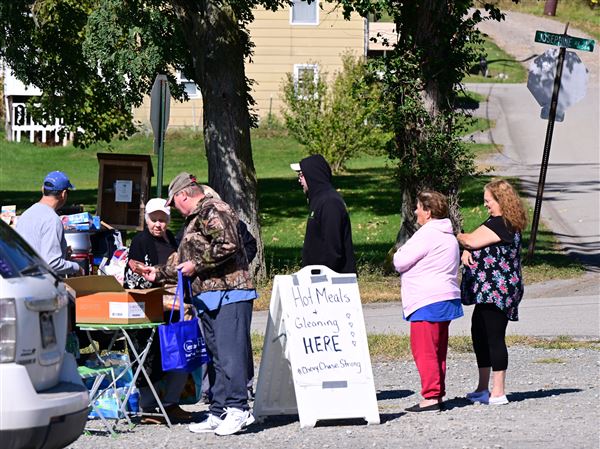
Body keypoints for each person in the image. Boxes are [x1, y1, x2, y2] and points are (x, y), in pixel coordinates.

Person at [140, 173, 257, 436]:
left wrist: (197, 265)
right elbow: (182, 260)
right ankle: (218, 411)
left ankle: (239, 409)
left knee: (231, 356)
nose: (174, 209)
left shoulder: (213, 209)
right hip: (208, 296)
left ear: (183, 195)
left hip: (230, 292)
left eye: (174, 203)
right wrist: (156, 273)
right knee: (216, 357)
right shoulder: (193, 221)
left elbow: (228, 244)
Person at [123, 198, 193, 424]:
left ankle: (171, 403)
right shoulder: (140, 241)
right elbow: (133, 278)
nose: (158, 224)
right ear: (147, 220)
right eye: (154, 219)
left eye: (163, 220)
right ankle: (148, 407)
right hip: (150, 308)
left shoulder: (172, 239)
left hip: (175, 309)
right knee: (148, 355)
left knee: (181, 352)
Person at [457, 179, 527, 406]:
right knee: (479, 332)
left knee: (494, 337)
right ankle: (482, 387)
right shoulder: (499, 222)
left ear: (500, 200)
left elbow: (471, 239)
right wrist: (467, 251)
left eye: (489, 201)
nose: (486, 205)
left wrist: (457, 236)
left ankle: (498, 391)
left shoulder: (501, 223)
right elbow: (476, 244)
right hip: (488, 291)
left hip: (498, 291)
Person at [393, 191, 463, 412]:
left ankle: (431, 396)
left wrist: (399, 252)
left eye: (418, 208)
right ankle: (438, 392)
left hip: (426, 299)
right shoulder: (448, 235)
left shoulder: (427, 234)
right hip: (446, 297)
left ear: (428, 211)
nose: (415, 212)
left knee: (424, 349)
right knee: (438, 349)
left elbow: (400, 260)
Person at [290, 154, 356, 274]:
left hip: (331, 282)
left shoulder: (330, 202)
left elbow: (333, 247)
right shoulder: (319, 200)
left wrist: (321, 276)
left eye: (301, 175)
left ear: (312, 175)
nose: (299, 179)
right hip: (318, 279)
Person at [16, 170, 82, 276]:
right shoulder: (52, 220)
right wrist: (77, 268)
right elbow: (52, 263)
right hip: (40, 284)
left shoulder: (26, 214)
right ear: (64, 194)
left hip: (21, 280)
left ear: (43, 189)